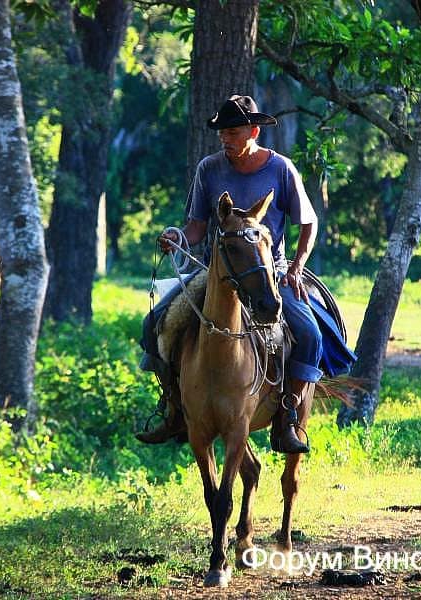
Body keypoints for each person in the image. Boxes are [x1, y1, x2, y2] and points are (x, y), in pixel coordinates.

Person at [136, 94, 323, 454]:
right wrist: (176, 237)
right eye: (222, 133)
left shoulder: (281, 169)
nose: (225, 139)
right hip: (215, 273)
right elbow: (195, 228)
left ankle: (287, 415)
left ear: (253, 131)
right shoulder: (209, 168)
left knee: (310, 335)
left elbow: (308, 223)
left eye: (233, 132)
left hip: (267, 272)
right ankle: (175, 407)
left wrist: (296, 267)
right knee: (154, 323)